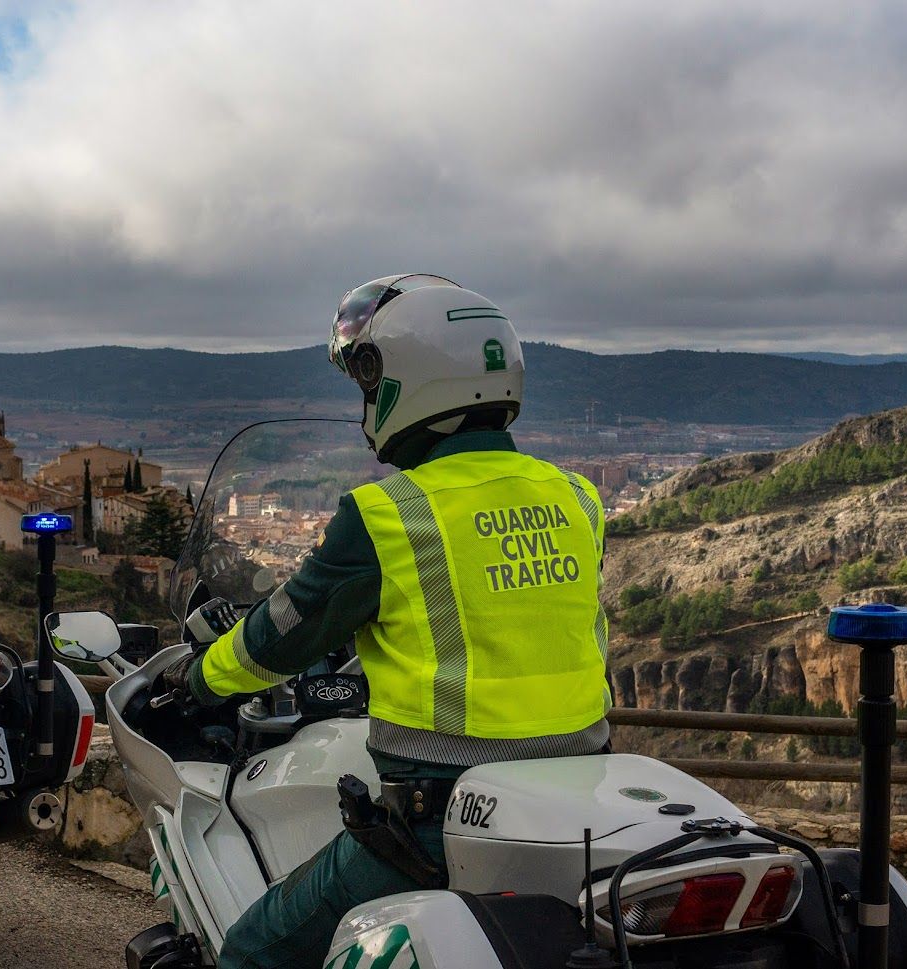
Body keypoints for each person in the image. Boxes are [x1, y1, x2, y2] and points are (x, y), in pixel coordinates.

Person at [166, 275, 611, 968]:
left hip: (438, 821)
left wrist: (199, 678)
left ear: (410, 380)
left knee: (253, 951)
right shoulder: (577, 498)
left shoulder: (387, 515)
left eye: (368, 382)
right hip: (577, 803)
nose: (366, 402)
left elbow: (281, 634)